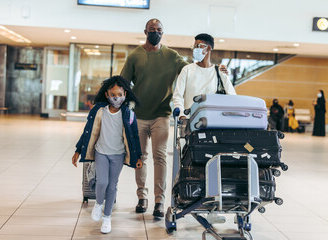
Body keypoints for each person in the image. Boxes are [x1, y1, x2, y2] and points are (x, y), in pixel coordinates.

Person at [120, 18, 229, 218]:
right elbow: (124, 84)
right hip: (139, 116)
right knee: (140, 158)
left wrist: (218, 71)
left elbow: (194, 70)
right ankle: (142, 197)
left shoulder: (171, 56)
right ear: (145, 31)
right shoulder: (135, 56)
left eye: (159, 29)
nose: (155, 32)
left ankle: (159, 200)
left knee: (160, 157)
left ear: (163, 32)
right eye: (152, 29)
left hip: (162, 115)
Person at [71, 76, 142, 234]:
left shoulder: (129, 114)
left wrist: (138, 157)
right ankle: (98, 204)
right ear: (107, 95)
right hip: (101, 152)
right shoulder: (99, 110)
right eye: (113, 94)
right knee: (102, 182)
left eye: (120, 94)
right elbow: (87, 132)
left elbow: (135, 136)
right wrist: (77, 150)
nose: (116, 98)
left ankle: (107, 218)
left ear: (125, 93)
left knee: (112, 186)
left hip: (118, 155)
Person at [173, 33, 236, 119]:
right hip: (190, 121)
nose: (195, 49)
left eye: (198, 46)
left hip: (213, 121)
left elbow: (232, 97)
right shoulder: (187, 70)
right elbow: (178, 96)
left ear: (209, 48)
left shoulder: (220, 72)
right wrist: (181, 116)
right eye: (194, 46)